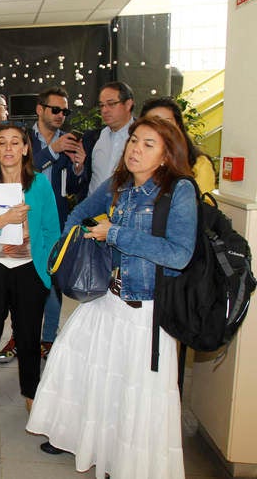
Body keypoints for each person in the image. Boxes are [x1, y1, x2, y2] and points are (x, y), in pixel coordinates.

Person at [27, 116, 197, 479]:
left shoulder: (178, 190)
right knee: (83, 366)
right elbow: (80, 212)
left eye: (148, 144)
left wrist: (115, 233)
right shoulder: (119, 183)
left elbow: (179, 254)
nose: (135, 148)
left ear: (167, 155)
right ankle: (88, 443)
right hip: (108, 296)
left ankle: (124, 464)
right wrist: (73, 241)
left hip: (146, 310)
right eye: (134, 140)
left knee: (132, 392)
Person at [0, 124, 60, 419]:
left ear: (26, 148)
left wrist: (33, 246)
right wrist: (1, 220)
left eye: (15, 142)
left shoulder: (39, 184)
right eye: (1, 142)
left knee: (28, 335)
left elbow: (52, 230)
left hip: (30, 268)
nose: (8, 148)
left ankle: (31, 393)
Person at [0, 87, 85, 363]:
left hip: (54, 224)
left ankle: (47, 340)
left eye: (65, 111)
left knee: (51, 282)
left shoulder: (68, 142)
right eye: (55, 109)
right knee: (18, 283)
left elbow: (71, 187)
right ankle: (18, 336)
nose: (61, 115)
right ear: (40, 109)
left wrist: (79, 168)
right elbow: (24, 168)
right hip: (19, 223)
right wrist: (51, 151)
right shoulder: (23, 139)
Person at [140, 95, 216, 193]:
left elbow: (203, 204)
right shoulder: (135, 159)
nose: (161, 128)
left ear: (178, 126)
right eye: (152, 123)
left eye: (166, 122)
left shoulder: (199, 164)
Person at [80, 81, 136, 199]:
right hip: (92, 212)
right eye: (101, 105)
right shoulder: (92, 138)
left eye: (111, 104)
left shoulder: (141, 138)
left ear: (128, 104)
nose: (105, 110)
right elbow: (83, 180)